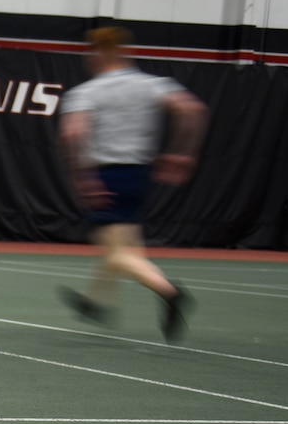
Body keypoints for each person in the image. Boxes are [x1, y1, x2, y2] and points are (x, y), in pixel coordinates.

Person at [56, 26, 208, 343]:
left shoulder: (88, 92)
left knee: (117, 254)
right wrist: (182, 153)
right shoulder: (150, 84)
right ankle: (94, 302)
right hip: (139, 174)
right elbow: (192, 109)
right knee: (126, 248)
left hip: (109, 174)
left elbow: (72, 133)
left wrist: (83, 176)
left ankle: (170, 292)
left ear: (100, 53)